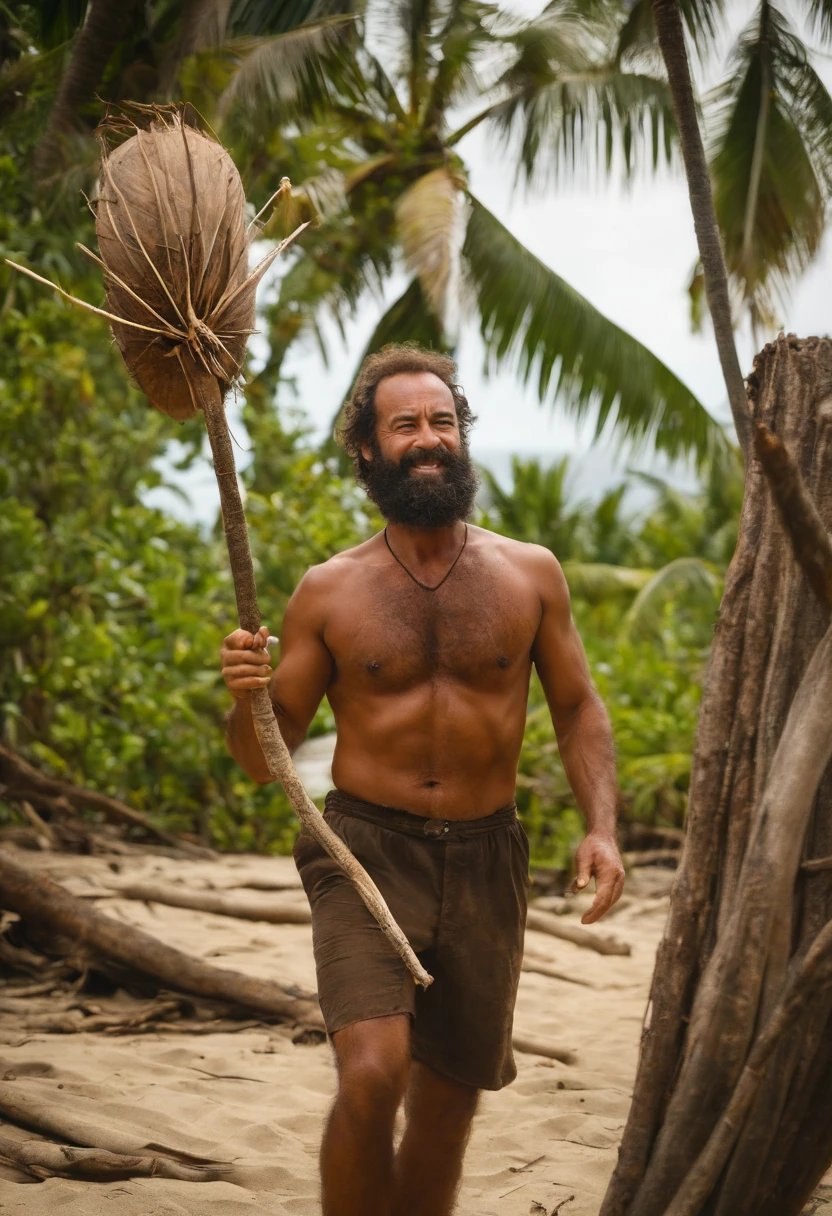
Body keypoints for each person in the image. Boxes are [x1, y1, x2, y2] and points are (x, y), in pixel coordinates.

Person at [220, 344, 624, 1216]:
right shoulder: (329, 592)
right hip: (364, 852)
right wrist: (247, 698)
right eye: (405, 425)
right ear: (367, 449)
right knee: (372, 1073)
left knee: (445, 1109)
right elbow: (263, 761)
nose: (429, 438)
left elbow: (579, 707)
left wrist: (602, 827)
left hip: (488, 857)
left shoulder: (531, 573)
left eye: (443, 421)